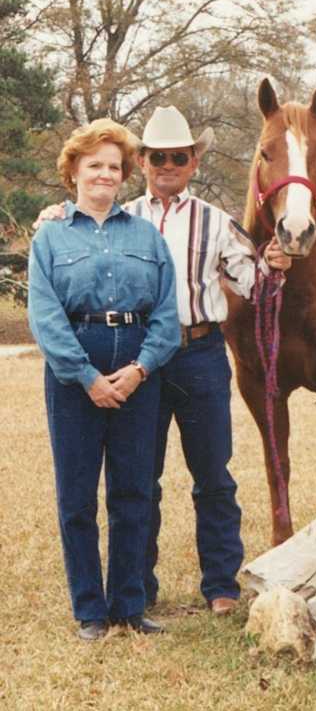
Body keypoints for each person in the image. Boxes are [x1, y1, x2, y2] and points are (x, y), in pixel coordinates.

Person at [37, 105, 292, 616]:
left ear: (193, 162)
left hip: (197, 352)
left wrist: (276, 264)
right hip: (138, 357)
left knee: (213, 473)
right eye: (158, 157)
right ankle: (139, 587)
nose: (168, 165)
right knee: (139, 478)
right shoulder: (123, 217)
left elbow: (254, 284)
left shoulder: (216, 222)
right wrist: (54, 213)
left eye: (179, 156)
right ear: (144, 161)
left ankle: (220, 583)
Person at [28, 118, 180, 640]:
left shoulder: (146, 236)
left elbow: (165, 312)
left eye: (114, 167)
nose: (105, 175)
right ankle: (90, 611)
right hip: (75, 371)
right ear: (73, 171)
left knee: (134, 491)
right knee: (77, 497)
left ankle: (129, 607)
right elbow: (45, 317)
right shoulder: (49, 237)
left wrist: (139, 370)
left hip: (137, 367)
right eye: (95, 165)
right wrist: (87, 376)